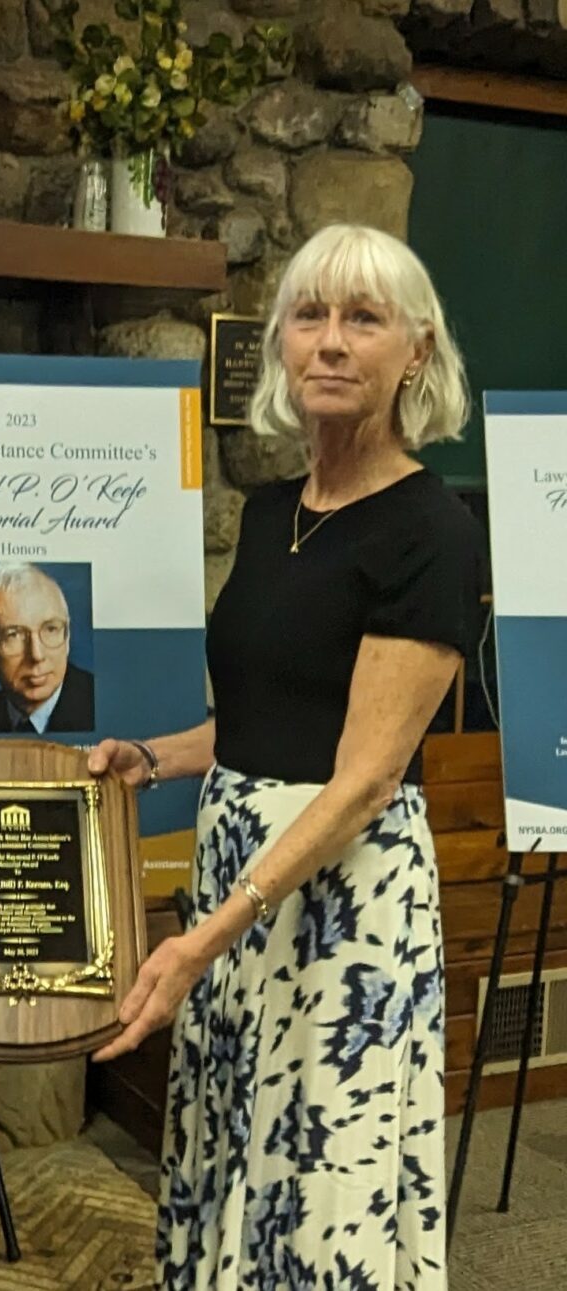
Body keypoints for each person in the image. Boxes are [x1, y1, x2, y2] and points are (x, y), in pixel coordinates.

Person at [89, 223, 484, 1286]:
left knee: (318, 1185)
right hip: (242, 888)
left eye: (362, 318)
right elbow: (272, 714)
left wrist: (201, 938)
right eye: (307, 316)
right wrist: (153, 757)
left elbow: (360, 776)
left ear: (416, 350)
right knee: (232, 1152)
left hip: (333, 905)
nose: (329, 342)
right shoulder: (273, 515)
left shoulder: (429, 530)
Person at [0, 561, 95, 734]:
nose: (37, 655)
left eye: (51, 629)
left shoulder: (100, 704)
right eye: (13, 635)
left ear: (67, 636)